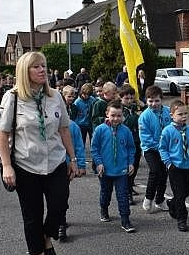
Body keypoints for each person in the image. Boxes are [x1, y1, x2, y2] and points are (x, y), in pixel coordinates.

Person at [0, 51, 77, 255]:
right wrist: (7, 166)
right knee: (32, 214)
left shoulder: (55, 96)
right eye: (36, 67)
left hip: (55, 162)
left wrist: (73, 159)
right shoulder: (12, 97)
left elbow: (64, 129)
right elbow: (2, 134)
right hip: (26, 165)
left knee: (59, 205)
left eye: (43, 65)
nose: (42, 70)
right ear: (25, 71)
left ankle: (46, 236)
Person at [91, 100, 136, 232]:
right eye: (113, 115)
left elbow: (131, 148)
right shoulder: (100, 130)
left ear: (123, 116)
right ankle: (104, 209)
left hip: (121, 170)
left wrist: (130, 162)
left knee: (123, 195)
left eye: (119, 116)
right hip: (105, 170)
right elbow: (95, 148)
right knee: (106, 192)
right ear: (107, 114)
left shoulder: (126, 131)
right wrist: (99, 163)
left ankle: (125, 220)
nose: (116, 118)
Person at [159, 100, 189, 232]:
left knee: (187, 191)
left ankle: (172, 202)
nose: (184, 116)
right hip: (175, 167)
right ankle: (182, 219)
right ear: (172, 115)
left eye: (185, 113)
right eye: (180, 114)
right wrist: (169, 163)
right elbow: (162, 148)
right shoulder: (168, 131)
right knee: (180, 194)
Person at [138, 85, 171, 212]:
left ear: (161, 99)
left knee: (164, 174)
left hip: (165, 149)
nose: (154, 104)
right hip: (150, 149)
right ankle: (148, 197)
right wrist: (159, 147)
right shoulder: (144, 116)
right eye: (150, 101)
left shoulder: (168, 111)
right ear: (146, 101)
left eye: (157, 100)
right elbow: (146, 138)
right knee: (155, 171)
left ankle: (160, 200)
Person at [59, 114, 87, 242]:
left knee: (62, 195)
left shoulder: (72, 126)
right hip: (47, 166)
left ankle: (61, 222)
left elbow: (79, 146)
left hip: (65, 167)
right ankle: (58, 220)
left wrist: (80, 164)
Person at [119, 85, 142, 205]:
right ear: (121, 98)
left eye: (131, 98)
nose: (129, 100)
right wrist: (136, 116)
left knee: (135, 165)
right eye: (126, 98)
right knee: (127, 166)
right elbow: (127, 122)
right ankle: (127, 193)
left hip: (136, 140)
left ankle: (130, 185)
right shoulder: (120, 110)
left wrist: (143, 106)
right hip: (125, 141)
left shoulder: (135, 108)